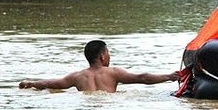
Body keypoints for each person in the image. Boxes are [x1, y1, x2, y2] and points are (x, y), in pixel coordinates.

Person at [18, 40, 180, 92]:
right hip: (107, 109)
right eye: (108, 52)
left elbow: (51, 84)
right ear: (103, 56)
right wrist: (169, 77)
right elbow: (142, 78)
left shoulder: (77, 77)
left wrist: (31, 83)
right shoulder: (113, 73)